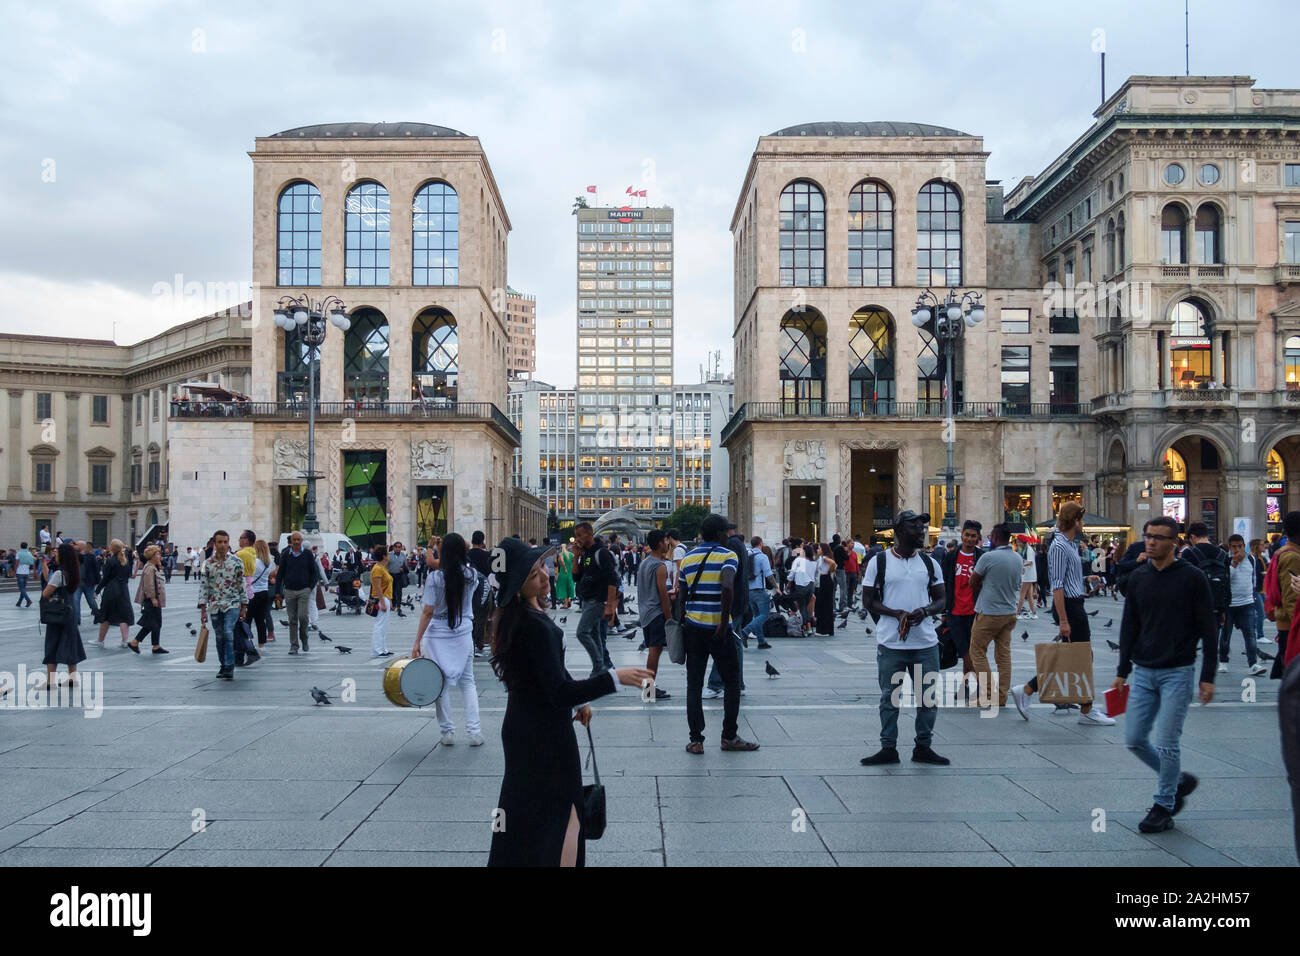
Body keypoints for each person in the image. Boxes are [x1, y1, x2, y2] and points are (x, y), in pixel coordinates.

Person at [487, 537, 652, 866]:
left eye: (542, 568)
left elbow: (546, 676)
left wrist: (578, 703)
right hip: (547, 735)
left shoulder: (515, 618)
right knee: (567, 814)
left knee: (522, 812)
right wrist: (613, 678)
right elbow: (558, 690)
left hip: (522, 729)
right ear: (519, 585)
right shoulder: (535, 627)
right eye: (535, 573)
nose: (546, 575)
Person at [1111, 515, 1217, 833]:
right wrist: (1122, 671)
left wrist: (1207, 675)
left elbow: (1208, 630)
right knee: (1134, 739)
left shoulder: (1192, 578)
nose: (1151, 541)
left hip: (1178, 672)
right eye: (1148, 536)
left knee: (1168, 743)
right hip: (1143, 671)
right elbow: (1129, 625)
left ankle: (1163, 805)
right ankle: (1178, 779)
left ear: (1174, 542)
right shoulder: (1140, 577)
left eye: (1158, 537)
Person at [1009, 502, 1115, 725]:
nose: (1083, 523)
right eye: (1081, 519)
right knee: (1083, 656)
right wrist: (1064, 620)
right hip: (1068, 607)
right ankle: (1086, 709)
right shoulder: (1059, 546)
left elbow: (1066, 579)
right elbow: (1057, 586)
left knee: (1073, 657)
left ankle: (1027, 690)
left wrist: (1085, 579)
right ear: (1074, 520)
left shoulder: (1068, 544)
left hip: (1073, 603)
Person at [861, 510, 949, 766]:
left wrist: (926, 611)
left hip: (925, 643)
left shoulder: (930, 563)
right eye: (915, 527)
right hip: (892, 644)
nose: (921, 531)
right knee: (890, 698)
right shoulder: (880, 562)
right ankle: (888, 747)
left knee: (928, 699)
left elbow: (942, 599)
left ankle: (923, 746)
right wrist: (894, 613)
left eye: (922, 527)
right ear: (899, 531)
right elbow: (868, 601)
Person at [680, 514, 758, 754]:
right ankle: (729, 736)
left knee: (694, 684)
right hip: (718, 629)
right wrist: (724, 623)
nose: (729, 536)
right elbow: (727, 586)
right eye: (726, 532)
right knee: (732, 681)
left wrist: (683, 622)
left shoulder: (688, 558)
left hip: (693, 628)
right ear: (720, 534)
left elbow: (681, 596)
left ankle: (696, 740)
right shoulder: (728, 555)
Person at [413, 532, 482, 746]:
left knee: (439, 683)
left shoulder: (435, 578)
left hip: (437, 634)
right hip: (462, 631)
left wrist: (417, 641)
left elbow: (427, 612)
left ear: (443, 552)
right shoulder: (472, 576)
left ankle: (447, 732)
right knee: (468, 683)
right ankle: (474, 732)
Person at [967, 523, 1022, 708]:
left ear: (996, 538)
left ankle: (988, 694)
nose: (989, 539)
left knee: (977, 651)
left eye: (991, 537)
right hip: (1009, 612)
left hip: (989, 612)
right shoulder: (1017, 558)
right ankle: (1001, 697)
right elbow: (1016, 585)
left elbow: (972, 581)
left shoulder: (988, 557)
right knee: (1004, 656)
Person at [198, 530, 248, 680]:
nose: (223, 545)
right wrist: (203, 609)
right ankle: (223, 665)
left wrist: (244, 607)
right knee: (219, 636)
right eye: (219, 542)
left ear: (228, 543)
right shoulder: (207, 564)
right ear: (214, 544)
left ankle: (229, 665)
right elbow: (204, 586)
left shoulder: (236, 562)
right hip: (214, 605)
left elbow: (241, 585)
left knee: (228, 632)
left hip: (232, 603)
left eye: (225, 542)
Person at [942, 520, 984, 698]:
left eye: (973, 536)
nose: (969, 539)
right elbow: (943, 582)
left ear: (978, 538)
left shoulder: (981, 557)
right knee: (964, 649)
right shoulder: (951, 557)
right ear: (962, 535)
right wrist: (944, 611)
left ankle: (965, 684)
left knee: (971, 648)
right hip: (955, 610)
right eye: (967, 535)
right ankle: (984, 684)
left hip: (975, 610)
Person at [572, 522, 619, 677]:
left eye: (580, 535)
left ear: (589, 534)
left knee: (582, 632)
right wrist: (576, 556)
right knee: (593, 634)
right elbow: (576, 576)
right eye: (576, 535)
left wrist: (610, 605)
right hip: (587, 599)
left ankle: (599, 665)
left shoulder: (601, 553)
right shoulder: (586, 554)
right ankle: (601, 667)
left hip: (597, 600)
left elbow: (613, 579)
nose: (577, 539)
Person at [1220, 534, 1266, 676]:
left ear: (1244, 546)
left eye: (1240, 546)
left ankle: (1253, 664)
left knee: (1250, 634)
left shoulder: (1251, 559)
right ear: (1229, 547)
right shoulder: (1225, 559)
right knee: (1226, 635)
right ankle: (1223, 661)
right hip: (1229, 604)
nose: (1237, 549)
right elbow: (1226, 579)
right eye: (1234, 546)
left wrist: (1253, 594)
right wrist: (1234, 563)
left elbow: (1253, 578)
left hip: (1247, 602)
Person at [41, 542, 86, 687]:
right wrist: (44, 564)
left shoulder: (60, 574)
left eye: (57, 553)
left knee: (52, 644)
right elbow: (52, 580)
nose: (55, 555)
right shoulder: (73, 571)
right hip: (69, 611)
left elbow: (46, 592)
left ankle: (50, 681)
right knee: (70, 643)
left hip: (57, 614)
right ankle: (72, 678)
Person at [636, 530, 674, 700]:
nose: (668, 544)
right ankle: (649, 689)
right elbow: (662, 594)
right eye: (666, 541)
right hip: (656, 613)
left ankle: (649, 687)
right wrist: (669, 617)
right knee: (654, 651)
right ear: (660, 543)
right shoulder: (660, 566)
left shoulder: (645, 563)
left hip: (645, 612)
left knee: (654, 650)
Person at [272, 531, 323, 654]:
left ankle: (304, 639)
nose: (296, 542)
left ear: (301, 541)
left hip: (304, 590)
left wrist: (310, 587)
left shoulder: (307, 554)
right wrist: (278, 592)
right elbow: (280, 574)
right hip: (289, 590)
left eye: (298, 540)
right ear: (291, 541)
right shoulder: (285, 554)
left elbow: (314, 572)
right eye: (294, 540)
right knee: (292, 619)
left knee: (303, 617)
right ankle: (294, 645)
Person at [1268, 512, 1300, 675]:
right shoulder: (1293, 556)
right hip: (1291, 625)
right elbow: (1292, 597)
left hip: (1286, 622)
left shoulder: (1282, 552)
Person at [128, 545, 168, 654]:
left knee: (155, 623)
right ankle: (135, 642)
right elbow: (149, 585)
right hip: (151, 600)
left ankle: (156, 645)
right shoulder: (150, 568)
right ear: (152, 556)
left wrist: (159, 564)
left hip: (154, 600)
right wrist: (153, 598)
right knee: (151, 623)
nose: (160, 556)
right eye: (158, 554)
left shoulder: (153, 566)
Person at [95, 539, 134, 648]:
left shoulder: (110, 561)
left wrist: (97, 591)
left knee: (106, 615)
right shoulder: (125, 561)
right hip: (123, 589)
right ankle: (125, 641)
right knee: (124, 615)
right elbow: (128, 575)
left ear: (111, 548)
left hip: (111, 590)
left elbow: (105, 578)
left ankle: (100, 640)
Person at [741, 536, 775, 651]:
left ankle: (761, 641)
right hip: (759, 590)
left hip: (749, 591)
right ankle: (745, 631)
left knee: (757, 616)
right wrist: (776, 587)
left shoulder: (747, 555)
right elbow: (768, 575)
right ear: (761, 543)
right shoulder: (762, 556)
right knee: (765, 615)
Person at [468, 531, 495, 659]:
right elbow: (492, 570)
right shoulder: (487, 555)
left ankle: (469, 644)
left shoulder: (466, 554)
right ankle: (479, 645)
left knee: (469, 616)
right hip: (483, 588)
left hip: (469, 589)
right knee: (481, 618)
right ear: (483, 540)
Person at [249, 540, 275, 647]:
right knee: (261, 620)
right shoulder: (269, 563)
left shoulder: (255, 562)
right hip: (264, 592)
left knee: (248, 620)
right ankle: (261, 644)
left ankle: (248, 641)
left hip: (253, 593)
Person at [369, 544, 393, 659]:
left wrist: (389, 600)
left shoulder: (382, 568)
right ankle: (377, 650)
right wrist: (383, 602)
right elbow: (377, 587)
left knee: (384, 625)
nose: (389, 556)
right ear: (384, 556)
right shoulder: (377, 569)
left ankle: (383, 648)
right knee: (379, 625)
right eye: (387, 553)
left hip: (385, 598)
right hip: (380, 599)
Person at [787, 543, 815, 634]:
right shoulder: (813, 562)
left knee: (802, 607)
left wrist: (789, 582)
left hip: (801, 585)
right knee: (805, 607)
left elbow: (792, 573)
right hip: (811, 585)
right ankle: (808, 626)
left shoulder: (798, 560)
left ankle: (807, 627)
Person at [814, 542, 837, 637]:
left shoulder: (824, 557)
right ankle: (827, 629)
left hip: (825, 579)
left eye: (819, 548)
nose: (817, 550)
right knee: (825, 604)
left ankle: (824, 630)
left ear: (823, 549)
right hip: (825, 579)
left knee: (824, 605)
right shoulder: (821, 558)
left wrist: (829, 571)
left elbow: (833, 564)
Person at [1016, 538, 1038, 618]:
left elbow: (1030, 562)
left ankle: (1018, 613)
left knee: (1022, 594)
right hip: (1028, 574)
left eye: (1019, 542)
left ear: (1023, 542)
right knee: (1029, 595)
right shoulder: (1026, 549)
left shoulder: (1028, 549)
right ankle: (1033, 613)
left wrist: (1020, 565)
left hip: (1028, 575)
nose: (1018, 544)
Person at [14, 542, 34, 607]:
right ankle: (19, 602)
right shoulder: (29, 553)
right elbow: (32, 563)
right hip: (26, 572)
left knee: (21, 588)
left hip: (19, 572)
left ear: (20, 546)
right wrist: (34, 572)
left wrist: (14, 570)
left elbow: (16, 563)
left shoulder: (19, 553)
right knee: (23, 588)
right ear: (27, 546)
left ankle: (28, 600)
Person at [555, 542, 575, 609]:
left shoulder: (561, 554)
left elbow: (562, 561)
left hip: (563, 573)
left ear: (561, 548)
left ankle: (565, 604)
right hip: (570, 573)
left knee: (563, 587)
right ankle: (568, 600)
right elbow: (575, 562)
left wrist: (565, 568)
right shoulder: (571, 554)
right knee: (569, 586)